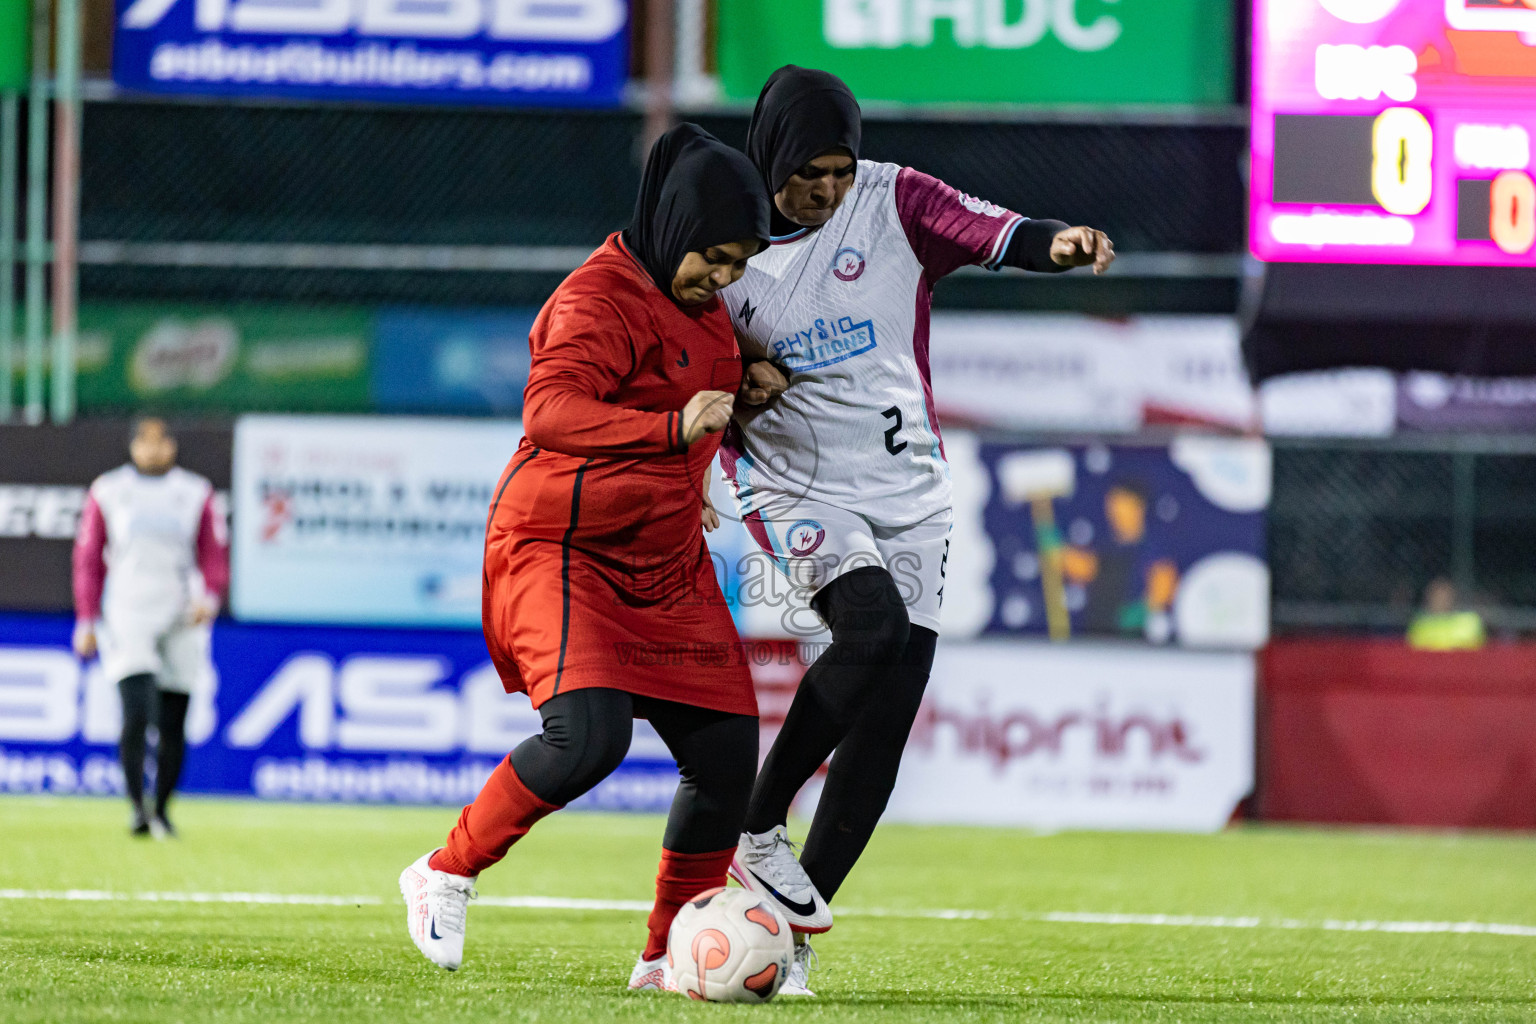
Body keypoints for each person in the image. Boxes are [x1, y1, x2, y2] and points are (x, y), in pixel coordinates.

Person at [716, 65, 1117, 993]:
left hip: (910, 492)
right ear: (770, 157)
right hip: (795, 485)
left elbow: (996, 232)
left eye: (839, 171)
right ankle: (757, 823)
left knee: (886, 722)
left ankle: (790, 935)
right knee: (872, 631)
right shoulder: (724, 235)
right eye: (809, 173)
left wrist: (1058, 244)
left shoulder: (893, 198)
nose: (828, 189)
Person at [398, 123, 775, 992]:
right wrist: (672, 429)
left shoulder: (705, 303)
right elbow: (550, 411)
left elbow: (699, 384)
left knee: (726, 754)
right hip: (561, 547)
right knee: (588, 738)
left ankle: (667, 956)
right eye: (715, 257)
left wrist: (755, 382)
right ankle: (445, 870)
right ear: (676, 225)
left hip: (666, 559)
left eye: (739, 264)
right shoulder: (596, 297)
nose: (724, 279)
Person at [71, 416, 228, 838]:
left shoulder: (194, 491)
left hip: (181, 611)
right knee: (137, 710)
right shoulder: (109, 490)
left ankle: (162, 809)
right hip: (128, 610)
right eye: (146, 441)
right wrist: (86, 618)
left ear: (172, 446)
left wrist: (210, 596)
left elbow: (213, 552)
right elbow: (88, 559)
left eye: (161, 442)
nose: (153, 449)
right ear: (133, 446)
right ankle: (137, 807)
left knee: (174, 717)